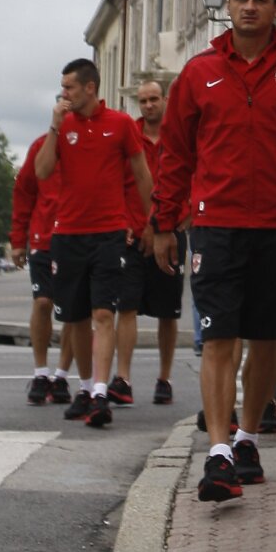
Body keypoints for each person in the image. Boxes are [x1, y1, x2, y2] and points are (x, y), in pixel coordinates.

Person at [152, 0, 276, 503]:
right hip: (215, 227)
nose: (249, 7)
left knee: (268, 339)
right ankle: (219, 452)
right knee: (219, 336)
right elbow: (174, 153)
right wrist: (164, 223)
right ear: (229, 6)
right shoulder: (199, 72)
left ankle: (247, 437)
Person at [33, 60, 151, 428]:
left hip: (109, 233)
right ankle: (85, 387)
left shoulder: (120, 124)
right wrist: (55, 126)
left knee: (104, 313)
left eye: (69, 87)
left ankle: (101, 392)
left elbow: (141, 175)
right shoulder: (63, 125)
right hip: (68, 234)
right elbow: (42, 171)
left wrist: (151, 222)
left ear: (89, 87)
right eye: (62, 87)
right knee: (77, 317)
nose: (64, 94)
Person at [111, 80, 185, 408]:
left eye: (154, 99)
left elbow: (190, 181)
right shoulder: (129, 136)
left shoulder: (179, 136)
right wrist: (129, 224)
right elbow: (117, 185)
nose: (148, 105)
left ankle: (164, 379)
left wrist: (177, 223)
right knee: (126, 306)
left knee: (168, 311)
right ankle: (122, 378)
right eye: (142, 101)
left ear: (166, 99)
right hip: (133, 236)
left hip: (170, 235)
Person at [10, 133, 75, 405]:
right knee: (42, 302)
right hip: (43, 238)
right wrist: (17, 240)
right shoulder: (40, 146)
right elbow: (23, 192)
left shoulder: (89, 141)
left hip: (76, 236)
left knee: (74, 311)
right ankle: (40, 373)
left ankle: (61, 376)